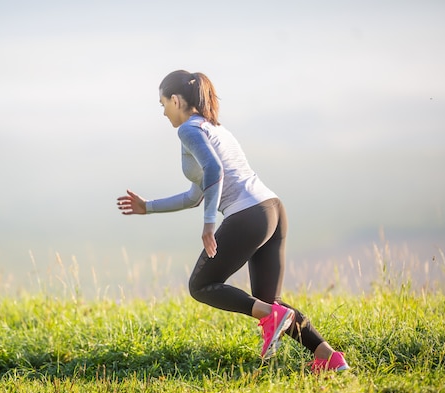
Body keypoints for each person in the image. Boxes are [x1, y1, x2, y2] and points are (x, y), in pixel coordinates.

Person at [116, 70, 349, 372]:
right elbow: (195, 194)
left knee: (201, 285)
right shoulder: (215, 128)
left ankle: (275, 320)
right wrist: (148, 207)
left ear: (176, 100)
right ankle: (328, 356)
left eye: (163, 104)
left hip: (248, 214)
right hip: (272, 209)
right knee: (269, 302)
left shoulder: (188, 130)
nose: (163, 112)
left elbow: (214, 173)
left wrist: (209, 223)